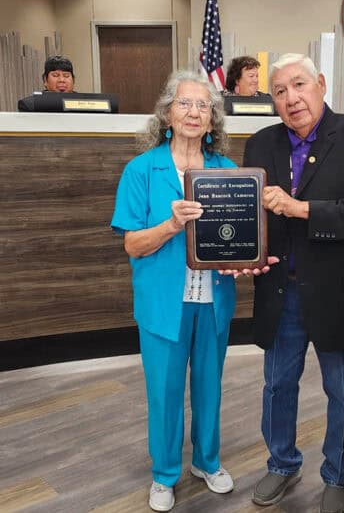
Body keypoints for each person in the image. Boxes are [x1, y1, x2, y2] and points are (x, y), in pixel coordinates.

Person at [243, 53, 344, 513]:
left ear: (321, 84)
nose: (291, 98)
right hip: (280, 290)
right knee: (276, 386)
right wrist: (245, 254)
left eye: (299, 85)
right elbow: (253, 215)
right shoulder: (258, 143)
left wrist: (301, 209)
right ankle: (282, 463)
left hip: (338, 290)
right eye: (280, 91)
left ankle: (340, 475)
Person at [111, 71, 242, 512]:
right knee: (164, 392)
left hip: (214, 298)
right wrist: (171, 225)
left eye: (203, 106)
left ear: (212, 121)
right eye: (184, 104)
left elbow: (238, 237)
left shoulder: (227, 171)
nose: (194, 112)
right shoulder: (141, 170)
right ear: (167, 114)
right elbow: (132, 243)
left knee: (210, 385)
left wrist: (243, 258)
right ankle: (164, 474)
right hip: (163, 303)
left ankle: (207, 462)